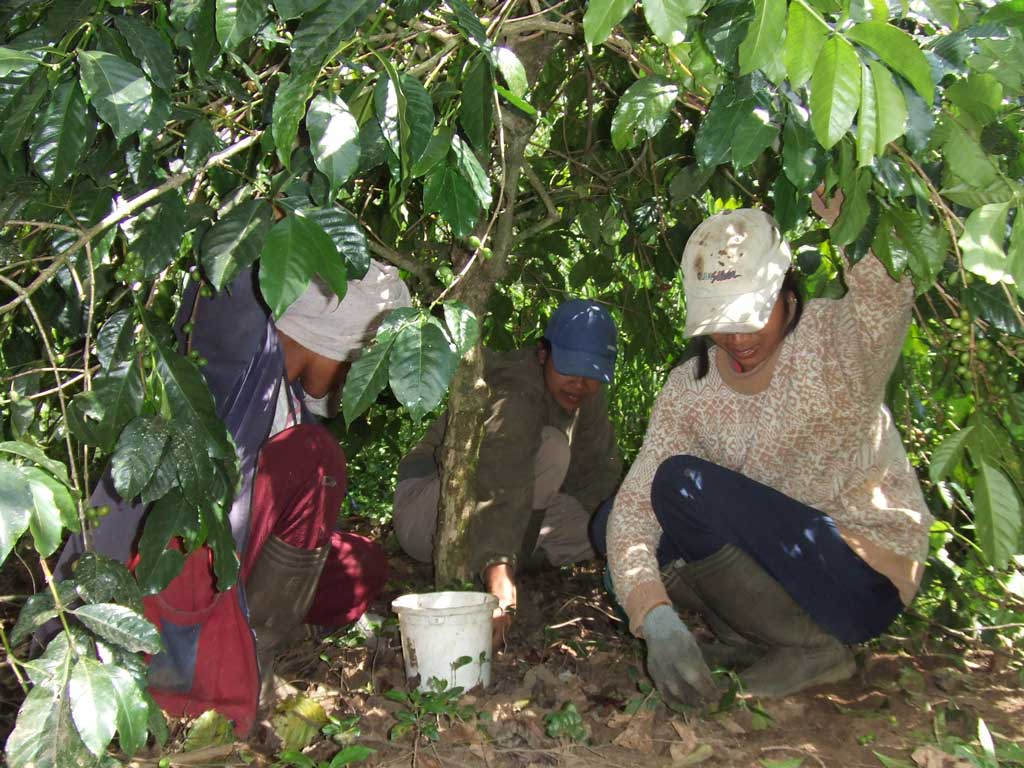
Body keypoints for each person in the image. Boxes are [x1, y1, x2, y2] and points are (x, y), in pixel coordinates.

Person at [599, 199, 933, 703]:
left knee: (682, 485)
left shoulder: (836, 344)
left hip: (858, 576)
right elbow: (633, 513)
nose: (736, 338)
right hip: (774, 565)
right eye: (720, 320)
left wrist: (850, 215)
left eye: (751, 316)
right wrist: (655, 616)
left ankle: (812, 649)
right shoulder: (691, 388)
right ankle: (756, 638)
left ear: (787, 293)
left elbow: (887, 294)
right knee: (615, 537)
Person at [55, 259, 410, 731]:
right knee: (317, 458)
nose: (348, 376)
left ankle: (256, 625)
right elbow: (234, 277)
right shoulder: (238, 361)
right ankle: (250, 654)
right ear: (330, 338)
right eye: (352, 361)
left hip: (243, 556)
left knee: (362, 560)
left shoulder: (293, 401)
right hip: (186, 560)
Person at [393, 299, 622, 637]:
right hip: (430, 507)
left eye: (592, 375)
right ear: (543, 354)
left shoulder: (585, 397)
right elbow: (501, 476)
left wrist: (625, 537)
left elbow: (598, 474)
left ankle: (507, 559)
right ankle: (497, 566)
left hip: (503, 507)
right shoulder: (517, 392)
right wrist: (498, 572)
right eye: (570, 368)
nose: (580, 383)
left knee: (605, 525)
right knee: (553, 449)